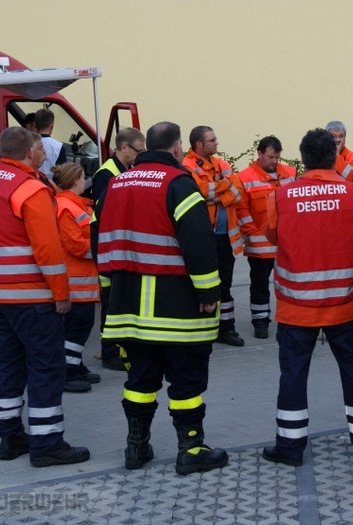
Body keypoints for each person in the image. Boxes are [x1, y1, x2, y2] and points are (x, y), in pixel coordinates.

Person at [96, 121, 228, 475]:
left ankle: (136, 447)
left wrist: (110, 286)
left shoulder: (117, 183)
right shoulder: (178, 183)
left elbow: (100, 236)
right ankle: (192, 448)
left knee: (139, 381)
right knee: (185, 380)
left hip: (127, 306)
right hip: (175, 307)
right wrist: (208, 292)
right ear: (176, 148)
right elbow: (198, 242)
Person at [0, 126, 90, 467]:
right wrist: (61, 293)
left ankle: (9, 436)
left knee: (5, 361)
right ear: (28, 151)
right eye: (39, 148)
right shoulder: (30, 188)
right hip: (30, 295)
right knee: (46, 366)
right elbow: (48, 249)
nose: (43, 153)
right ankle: (47, 443)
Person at [260, 128, 353, 467]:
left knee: (294, 374)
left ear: (302, 159)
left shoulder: (281, 196)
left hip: (297, 306)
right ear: (334, 157)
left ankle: (290, 447)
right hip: (346, 302)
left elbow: (272, 235)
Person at [182, 125, 245, 347]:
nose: (217, 142)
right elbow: (199, 191)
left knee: (225, 284)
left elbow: (238, 191)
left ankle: (227, 329)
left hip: (225, 236)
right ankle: (204, 327)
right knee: (204, 284)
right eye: (212, 140)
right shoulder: (187, 165)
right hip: (204, 236)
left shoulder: (221, 163)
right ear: (199, 144)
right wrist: (224, 185)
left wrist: (218, 197)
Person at [91, 127, 145, 371]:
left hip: (119, 245)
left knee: (119, 299)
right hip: (108, 246)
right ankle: (110, 352)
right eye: (139, 150)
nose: (141, 154)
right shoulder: (106, 174)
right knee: (110, 301)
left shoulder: (127, 171)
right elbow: (106, 213)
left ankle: (120, 348)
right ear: (124, 147)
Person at [236, 136, 297, 339]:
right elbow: (242, 211)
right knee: (259, 285)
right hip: (260, 246)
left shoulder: (289, 174)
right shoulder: (244, 178)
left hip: (286, 244)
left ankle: (290, 319)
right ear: (260, 153)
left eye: (277, 157)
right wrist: (252, 235)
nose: (274, 161)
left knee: (289, 284)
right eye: (270, 157)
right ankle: (260, 321)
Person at [53, 163, 101, 393]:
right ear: (75, 181)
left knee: (79, 326)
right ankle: (68, 372)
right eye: (83, 177)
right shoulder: (66, 206)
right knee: (78, 326)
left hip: (81, 279)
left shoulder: (73, 204)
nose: (85, 181)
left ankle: (75, 364)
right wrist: (102, 247)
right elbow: (75, 245)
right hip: (75, 279)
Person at [35, 108, 66, 180]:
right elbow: (62, 174)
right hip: (50, 185)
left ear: (35, 125)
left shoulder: (27, 143)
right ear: (52, 125)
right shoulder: (59, 147)